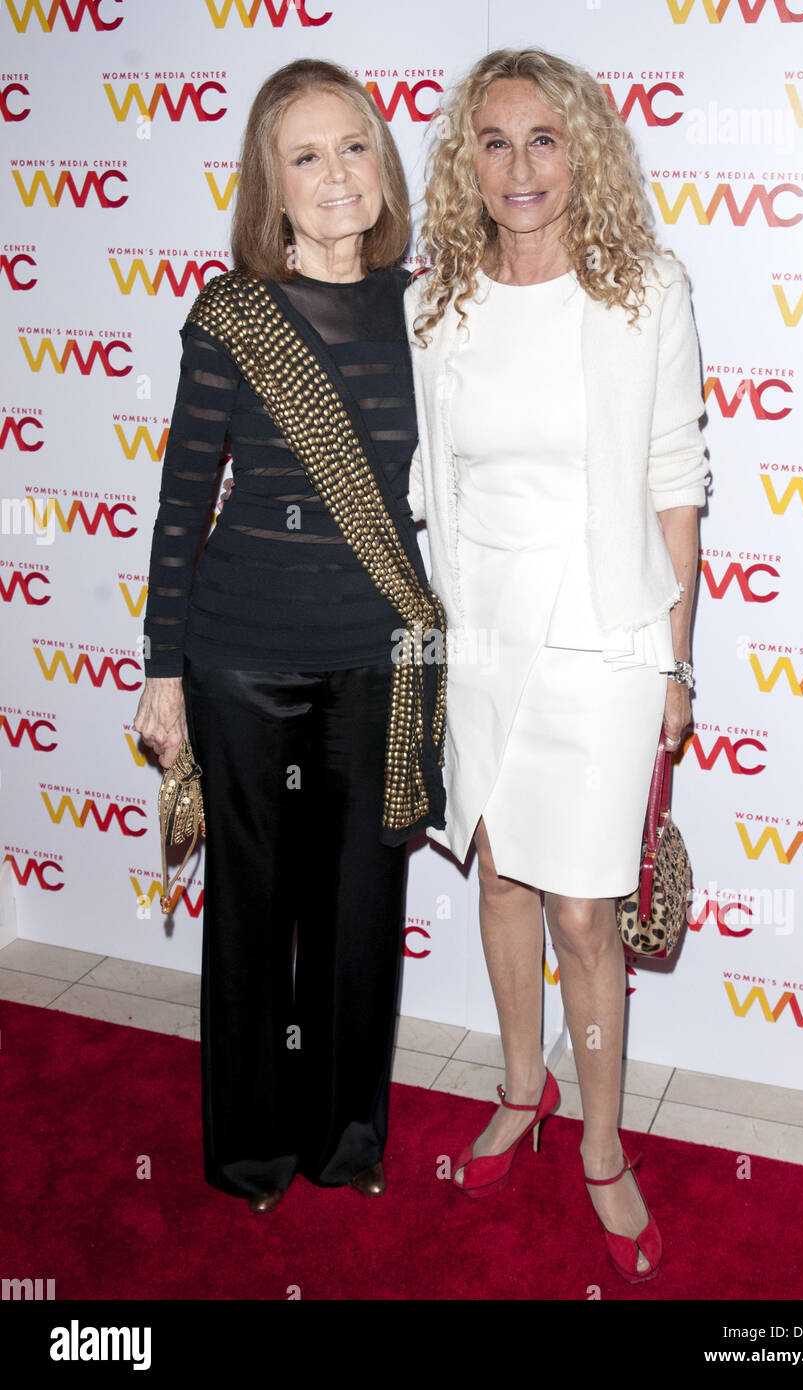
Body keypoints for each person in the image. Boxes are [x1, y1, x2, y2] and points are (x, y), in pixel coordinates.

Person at [404, 48, 710, 1282]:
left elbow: (674, 487)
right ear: (463, 162)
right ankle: (520, 1092)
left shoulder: (646, 288)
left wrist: (676, 664)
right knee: (497, 879)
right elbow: (431, 484)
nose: (520, 166)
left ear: (581, 146)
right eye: (493, 141)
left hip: (603, 634)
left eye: (543, 138)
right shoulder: (437, 304)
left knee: (585, 910)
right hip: (479, 628)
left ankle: (597, 1141)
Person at [132, 58, 446, 1214]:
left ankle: (347, 1137)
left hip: (379, 656)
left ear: (383, 162)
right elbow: (180, 501)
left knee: (363, 908)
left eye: (353, 146)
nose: (335, 173)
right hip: (243, 654)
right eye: (305, 154)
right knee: (256, 906)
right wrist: (163, 668)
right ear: (270, 184)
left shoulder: (431, 309)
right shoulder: (232, 315)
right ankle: (252, 1152)